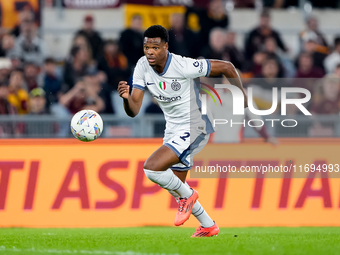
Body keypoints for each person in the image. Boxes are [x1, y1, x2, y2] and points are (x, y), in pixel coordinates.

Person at [117, 25, 247, 237]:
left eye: (155, 47)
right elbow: (134, 111)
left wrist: (241, 97)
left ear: (166, 47)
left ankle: (190, 196)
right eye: (146, 47)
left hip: (195, 125)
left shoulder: (183, 65)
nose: (150, 51)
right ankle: (208, 225)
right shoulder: (142, 66)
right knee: (178, 189)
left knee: (151, 169)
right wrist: (126, 99)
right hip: (173, 129)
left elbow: (227, 67)